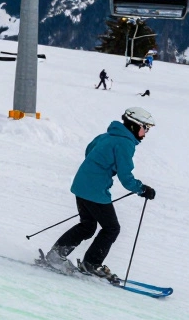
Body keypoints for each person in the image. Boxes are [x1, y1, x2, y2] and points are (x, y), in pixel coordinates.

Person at [42, 107, 157, 281]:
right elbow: (126, 177)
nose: (146, 133)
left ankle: (56, 256)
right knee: (112, 228)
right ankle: (91, 264)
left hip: (81, 185)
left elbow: (89, 151)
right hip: (95, 190)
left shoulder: (107, 136)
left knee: (87, 226)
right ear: (134, 125)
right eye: (145, 128)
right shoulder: (124, 143)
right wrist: (142, 189)